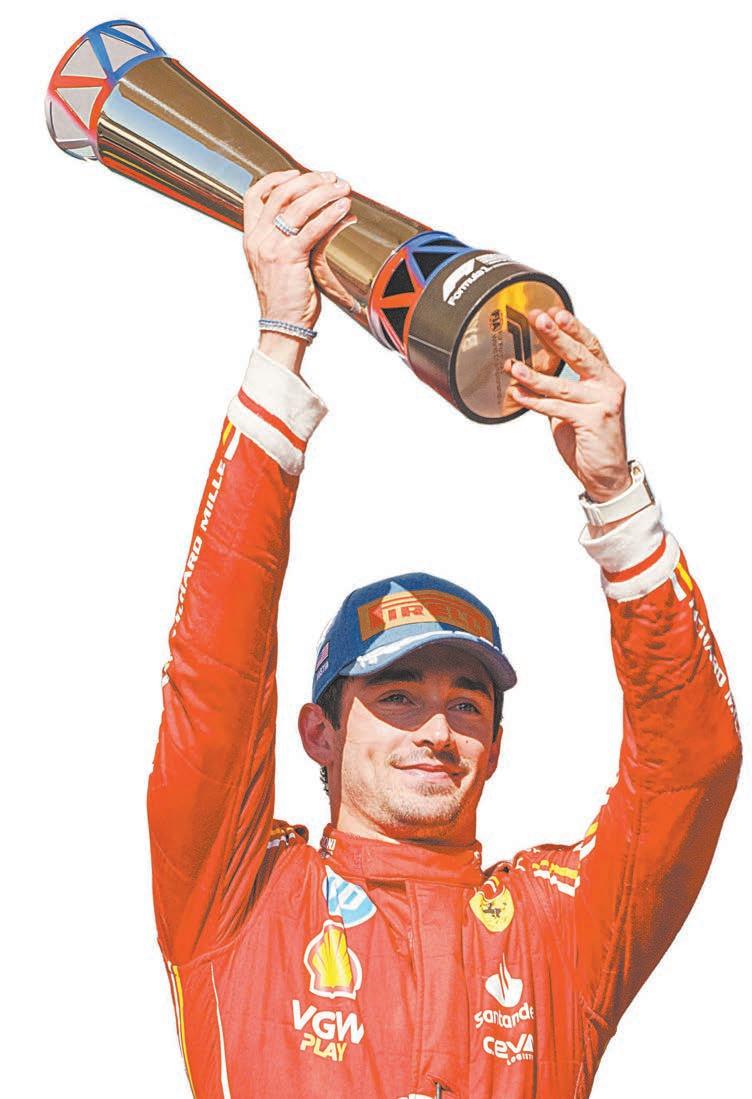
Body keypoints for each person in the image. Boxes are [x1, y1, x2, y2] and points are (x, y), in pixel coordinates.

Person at [146, 169, 741, 1099]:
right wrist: (280, 342)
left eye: (468, 705)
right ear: (320, 732)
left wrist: (616, 497)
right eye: (397, 695)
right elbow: (216, 671)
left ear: (495, 748)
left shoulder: (557, 929)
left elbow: (690, 765)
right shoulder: (238, 896)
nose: (437, 729)